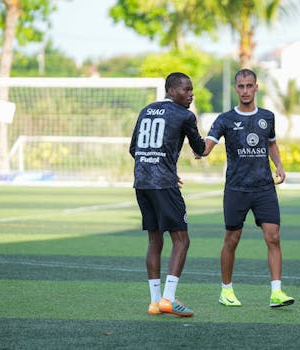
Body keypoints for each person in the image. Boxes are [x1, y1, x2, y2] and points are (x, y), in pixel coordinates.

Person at [200, 68, 294, 308]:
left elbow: (271, 143)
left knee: (273, 237)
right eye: (240, 86)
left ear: (256, 88)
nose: (245, 91)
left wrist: (279, 165)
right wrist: (196, 146)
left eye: (249, 86)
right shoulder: (225, 119)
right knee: (232, 239)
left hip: (264, 188)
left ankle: (276, 292)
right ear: (235, 89)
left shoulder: (267, 117)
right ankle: (226, 290)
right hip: (236, 189)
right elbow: (206, 147)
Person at [129, 72, 206, 317]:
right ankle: (169, 299)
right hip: (163, 185)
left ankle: (154, 302)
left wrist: (154, 166)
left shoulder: (146, 110)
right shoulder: (185, 115)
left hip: (142, 182)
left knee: (155, 240)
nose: (190, 94)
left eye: (191, 90)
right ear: (171, 91)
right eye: (186, 89)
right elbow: (201, 148)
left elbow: (134, 149)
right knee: (182, 240)